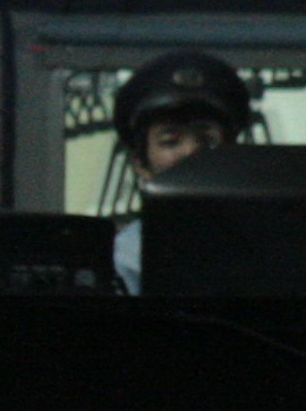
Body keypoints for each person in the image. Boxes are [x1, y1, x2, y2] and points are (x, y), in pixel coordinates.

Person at [107, 50, 258, 294]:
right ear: (141, 164)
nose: (191, 151)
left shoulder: (261, 246)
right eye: (170, 141)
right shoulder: (124, 261)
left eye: (207, 139)